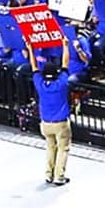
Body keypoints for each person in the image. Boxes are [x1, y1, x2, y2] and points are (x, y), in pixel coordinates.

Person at [34, 50, 81, 186]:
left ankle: (49, 174)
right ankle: (59, 176)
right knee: (63, 148)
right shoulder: (62, 83)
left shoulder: (40, 84)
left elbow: (34, 67)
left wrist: (30, 48)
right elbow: (65, 63)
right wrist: (65, 46)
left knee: (50, 147)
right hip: (61, 124)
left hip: (45, 123)